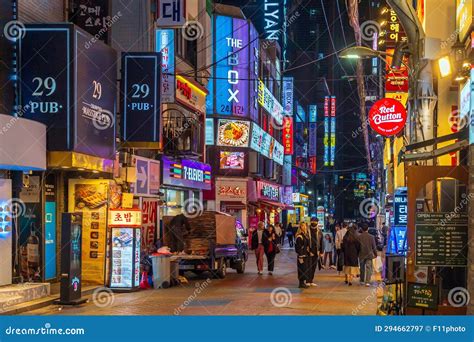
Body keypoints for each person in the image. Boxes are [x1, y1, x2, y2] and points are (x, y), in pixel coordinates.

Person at [307, 217, 323, 286]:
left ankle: (311, 280)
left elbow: (322, 242)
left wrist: (321, 251)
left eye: (315, 221)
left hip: (316, 251)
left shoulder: (319, 231)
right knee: (308, 266)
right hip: (308, 252)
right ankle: (307, 280)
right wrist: (308, 250)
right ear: (310, 222)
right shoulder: (307, 230)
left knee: (314, 266)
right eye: (312, 221)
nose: (314, 223)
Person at [295, 222, 310, 288]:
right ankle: (301, 283)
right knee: (302, 269)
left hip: (305, 254)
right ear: (300, 227)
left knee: (305, 269)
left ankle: (303, 282)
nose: (304, 227)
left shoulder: (305, 235)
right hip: (302, 255)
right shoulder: (299, 236)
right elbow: (298, 247)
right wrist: (300, 256)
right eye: (303, 226)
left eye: (305, 226)